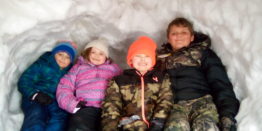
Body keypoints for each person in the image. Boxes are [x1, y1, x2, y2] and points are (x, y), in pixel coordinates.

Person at [157, 17, 240, 131]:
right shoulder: (160, 60)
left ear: (192, 37)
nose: (179, 36)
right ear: (168, 38)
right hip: (175, 107)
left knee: (205, 126)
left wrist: (227, 114)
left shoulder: (202, 54)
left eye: (184, 32)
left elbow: (219, 82)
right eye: (174, 33)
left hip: (202, 103)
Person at [101, 36, 173, 131]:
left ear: (153, 59)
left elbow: (165, 101)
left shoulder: (162, 78)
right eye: (138, 56)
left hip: (156, 125)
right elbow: (111, 106)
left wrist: (158, 122)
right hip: (129, 125)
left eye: (147, 56)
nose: (142, 60)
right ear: (131, 59)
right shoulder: (119, 81)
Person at [56, 38, 122, 131]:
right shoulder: (79, 67)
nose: (97, 56)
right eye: (93, 52)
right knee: (79, 126)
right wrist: (72, 104)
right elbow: (65, 86)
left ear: (106, 57)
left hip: (108, 108)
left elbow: (123, 87)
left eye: (101, 53)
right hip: (85, 107)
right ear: (87, 53)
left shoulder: (114, 69)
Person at [18, 41, 78, 131]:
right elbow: (24, 81)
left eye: (67, 57)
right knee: (36, 114)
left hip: (54, 100)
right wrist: (35, 94)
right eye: (60, 54)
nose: (63, 59)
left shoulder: (70, 72)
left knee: (60, 118)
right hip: (36, 96)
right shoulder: (42, 64)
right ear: (54, 53)